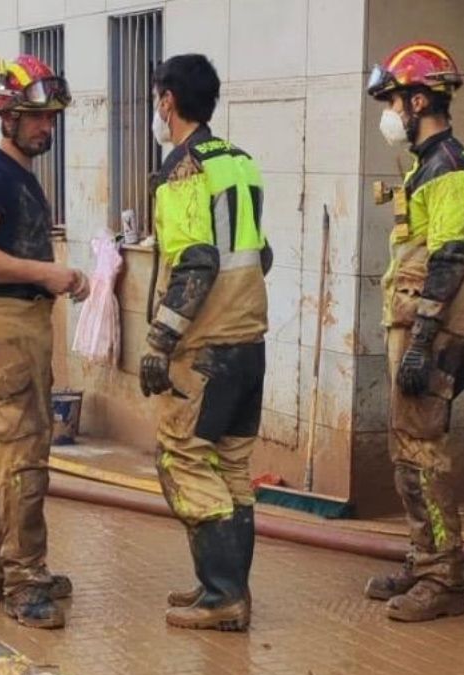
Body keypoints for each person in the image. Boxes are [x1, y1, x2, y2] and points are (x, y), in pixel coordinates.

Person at [0, 54, 87, 629]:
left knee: (12, 455)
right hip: (5, 325)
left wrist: (55, 279)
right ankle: (24, 580)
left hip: (20, 324)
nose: (45, 127)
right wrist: (45, 273)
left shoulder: (17, 177)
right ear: (5, 114)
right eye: (34, 117)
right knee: (25, 457)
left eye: (51, 117)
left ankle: (2, 571)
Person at [139, 54, 271, 632]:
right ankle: (224, 590)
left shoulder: (183, 171)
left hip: (205, 348)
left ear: (168, 100)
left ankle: (221, 596)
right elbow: (260, 254)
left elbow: (195, 261)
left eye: (156, 100)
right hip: (249, 341)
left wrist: (159, 340)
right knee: (233, 465)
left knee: (185, 458)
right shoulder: (240, 163)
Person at [362, 41, 464, 623]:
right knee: (405, 451)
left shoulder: (451, 172)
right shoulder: (425, 167)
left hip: (432, 334)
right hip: (415, 327)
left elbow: (449, 261)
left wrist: (421, 343)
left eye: (392, 100)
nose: (388, 114)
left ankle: (444, 578)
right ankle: (423, 560)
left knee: (425, 453)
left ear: (418, 100)